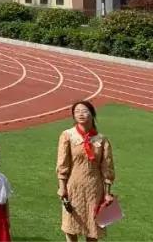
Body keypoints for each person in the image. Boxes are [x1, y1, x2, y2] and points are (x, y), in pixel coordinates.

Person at [57, 100, 115, 242]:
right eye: (77, 112)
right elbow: (62, 163)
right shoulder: (67, 136)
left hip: (95, 189)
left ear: (92, 114)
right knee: (71, 226)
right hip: (73, 187)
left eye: (84, 111)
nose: (80, 114)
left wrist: (107, 193)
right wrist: (62, 187)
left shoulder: (102, 140)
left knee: (92, 229)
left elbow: (107, 167)